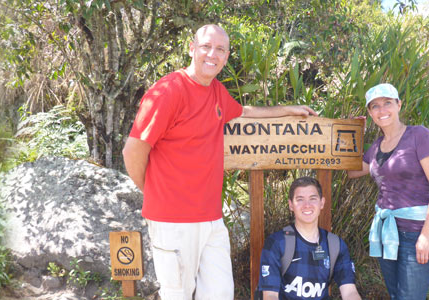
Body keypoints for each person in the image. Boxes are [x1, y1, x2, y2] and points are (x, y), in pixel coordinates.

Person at [121, 24, 317, 300]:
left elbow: (243, 111)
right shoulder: (168, 90)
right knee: (177, 294)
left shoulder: (215, 91)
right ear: (192, 48)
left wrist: (287, 109)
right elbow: (133, 150)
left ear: (226, 57)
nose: (212, 54)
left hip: (212, 219)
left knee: (220, 293)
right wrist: (151, 190)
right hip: (173, 220)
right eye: (206, 46)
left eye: (220, 49)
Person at [346, 83, 429, 299]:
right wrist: (354, 134)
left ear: (399, 105)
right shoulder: (376, 147)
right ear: (370, 112)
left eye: (387, 103)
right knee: (395, 295)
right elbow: (352, 172)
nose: (382, 110)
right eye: (375, 106)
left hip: (415, 233)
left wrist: (426, 235)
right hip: (387, 233)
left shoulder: (419, 135)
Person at [258, 177, 361, 300]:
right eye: (300, 200)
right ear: (291, 205)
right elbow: (270, 295)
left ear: (322, 203)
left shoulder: (335, 245)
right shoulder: (277, 243)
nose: (307, 205)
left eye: (313, 199)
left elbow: (350, 292)